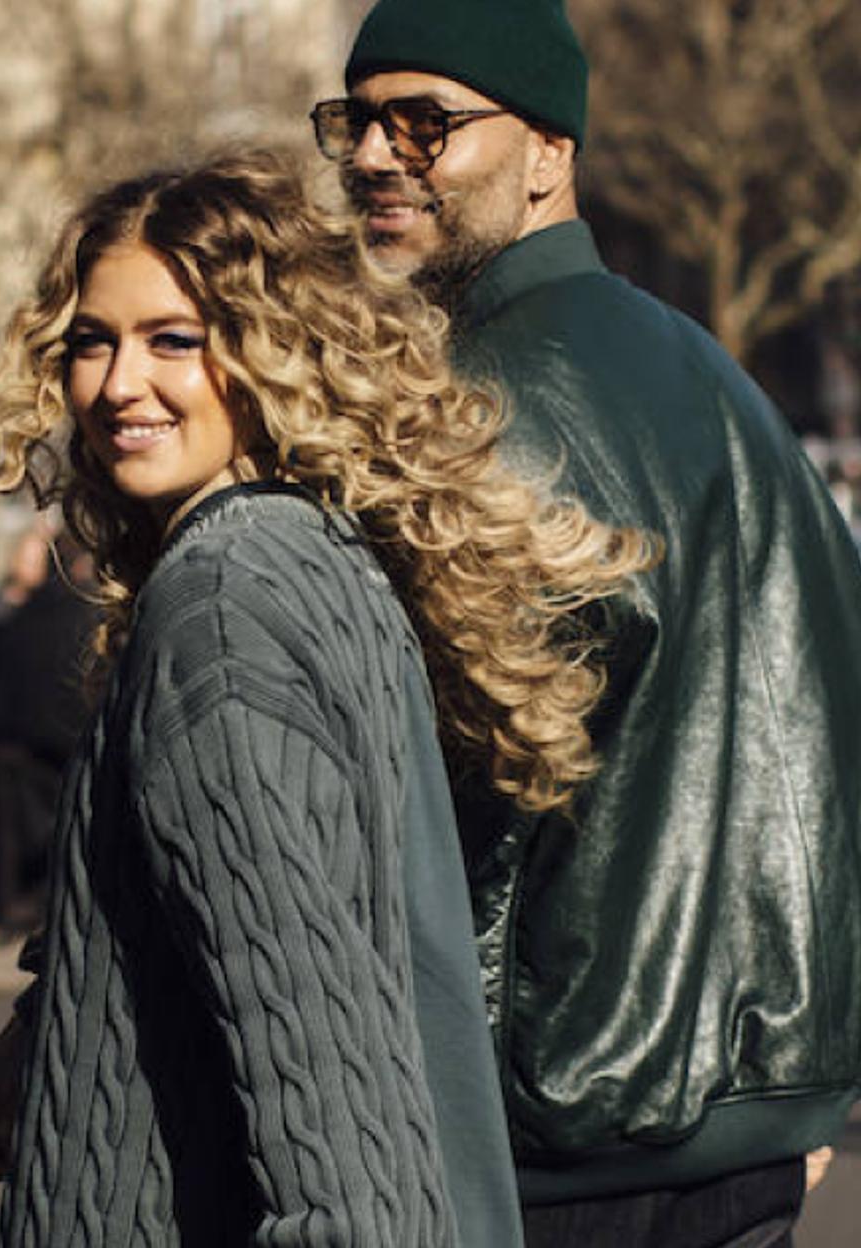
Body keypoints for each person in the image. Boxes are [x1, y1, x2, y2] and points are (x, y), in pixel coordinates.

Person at [0, 150, 654, 1246]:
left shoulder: (222, 614)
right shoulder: (310, 550)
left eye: (174, 341)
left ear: (271, 350)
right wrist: (46, 1055)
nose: (119, 384)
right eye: (95, 340)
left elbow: (329, 1116)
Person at [313, 2, 861, 1244]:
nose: (372, 157)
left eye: (426, 123)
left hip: (561, 1126)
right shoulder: (712, 376)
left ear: (549, 153)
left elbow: (435, 789)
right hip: (744, 1118)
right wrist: (811, 1080)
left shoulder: (481, 403)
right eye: (356, 122)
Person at [0, 516, 100, 930]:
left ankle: (18, 906)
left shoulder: (16, 618)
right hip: (62, 741)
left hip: (19, 740)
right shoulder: (84, 615)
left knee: (21, 837)